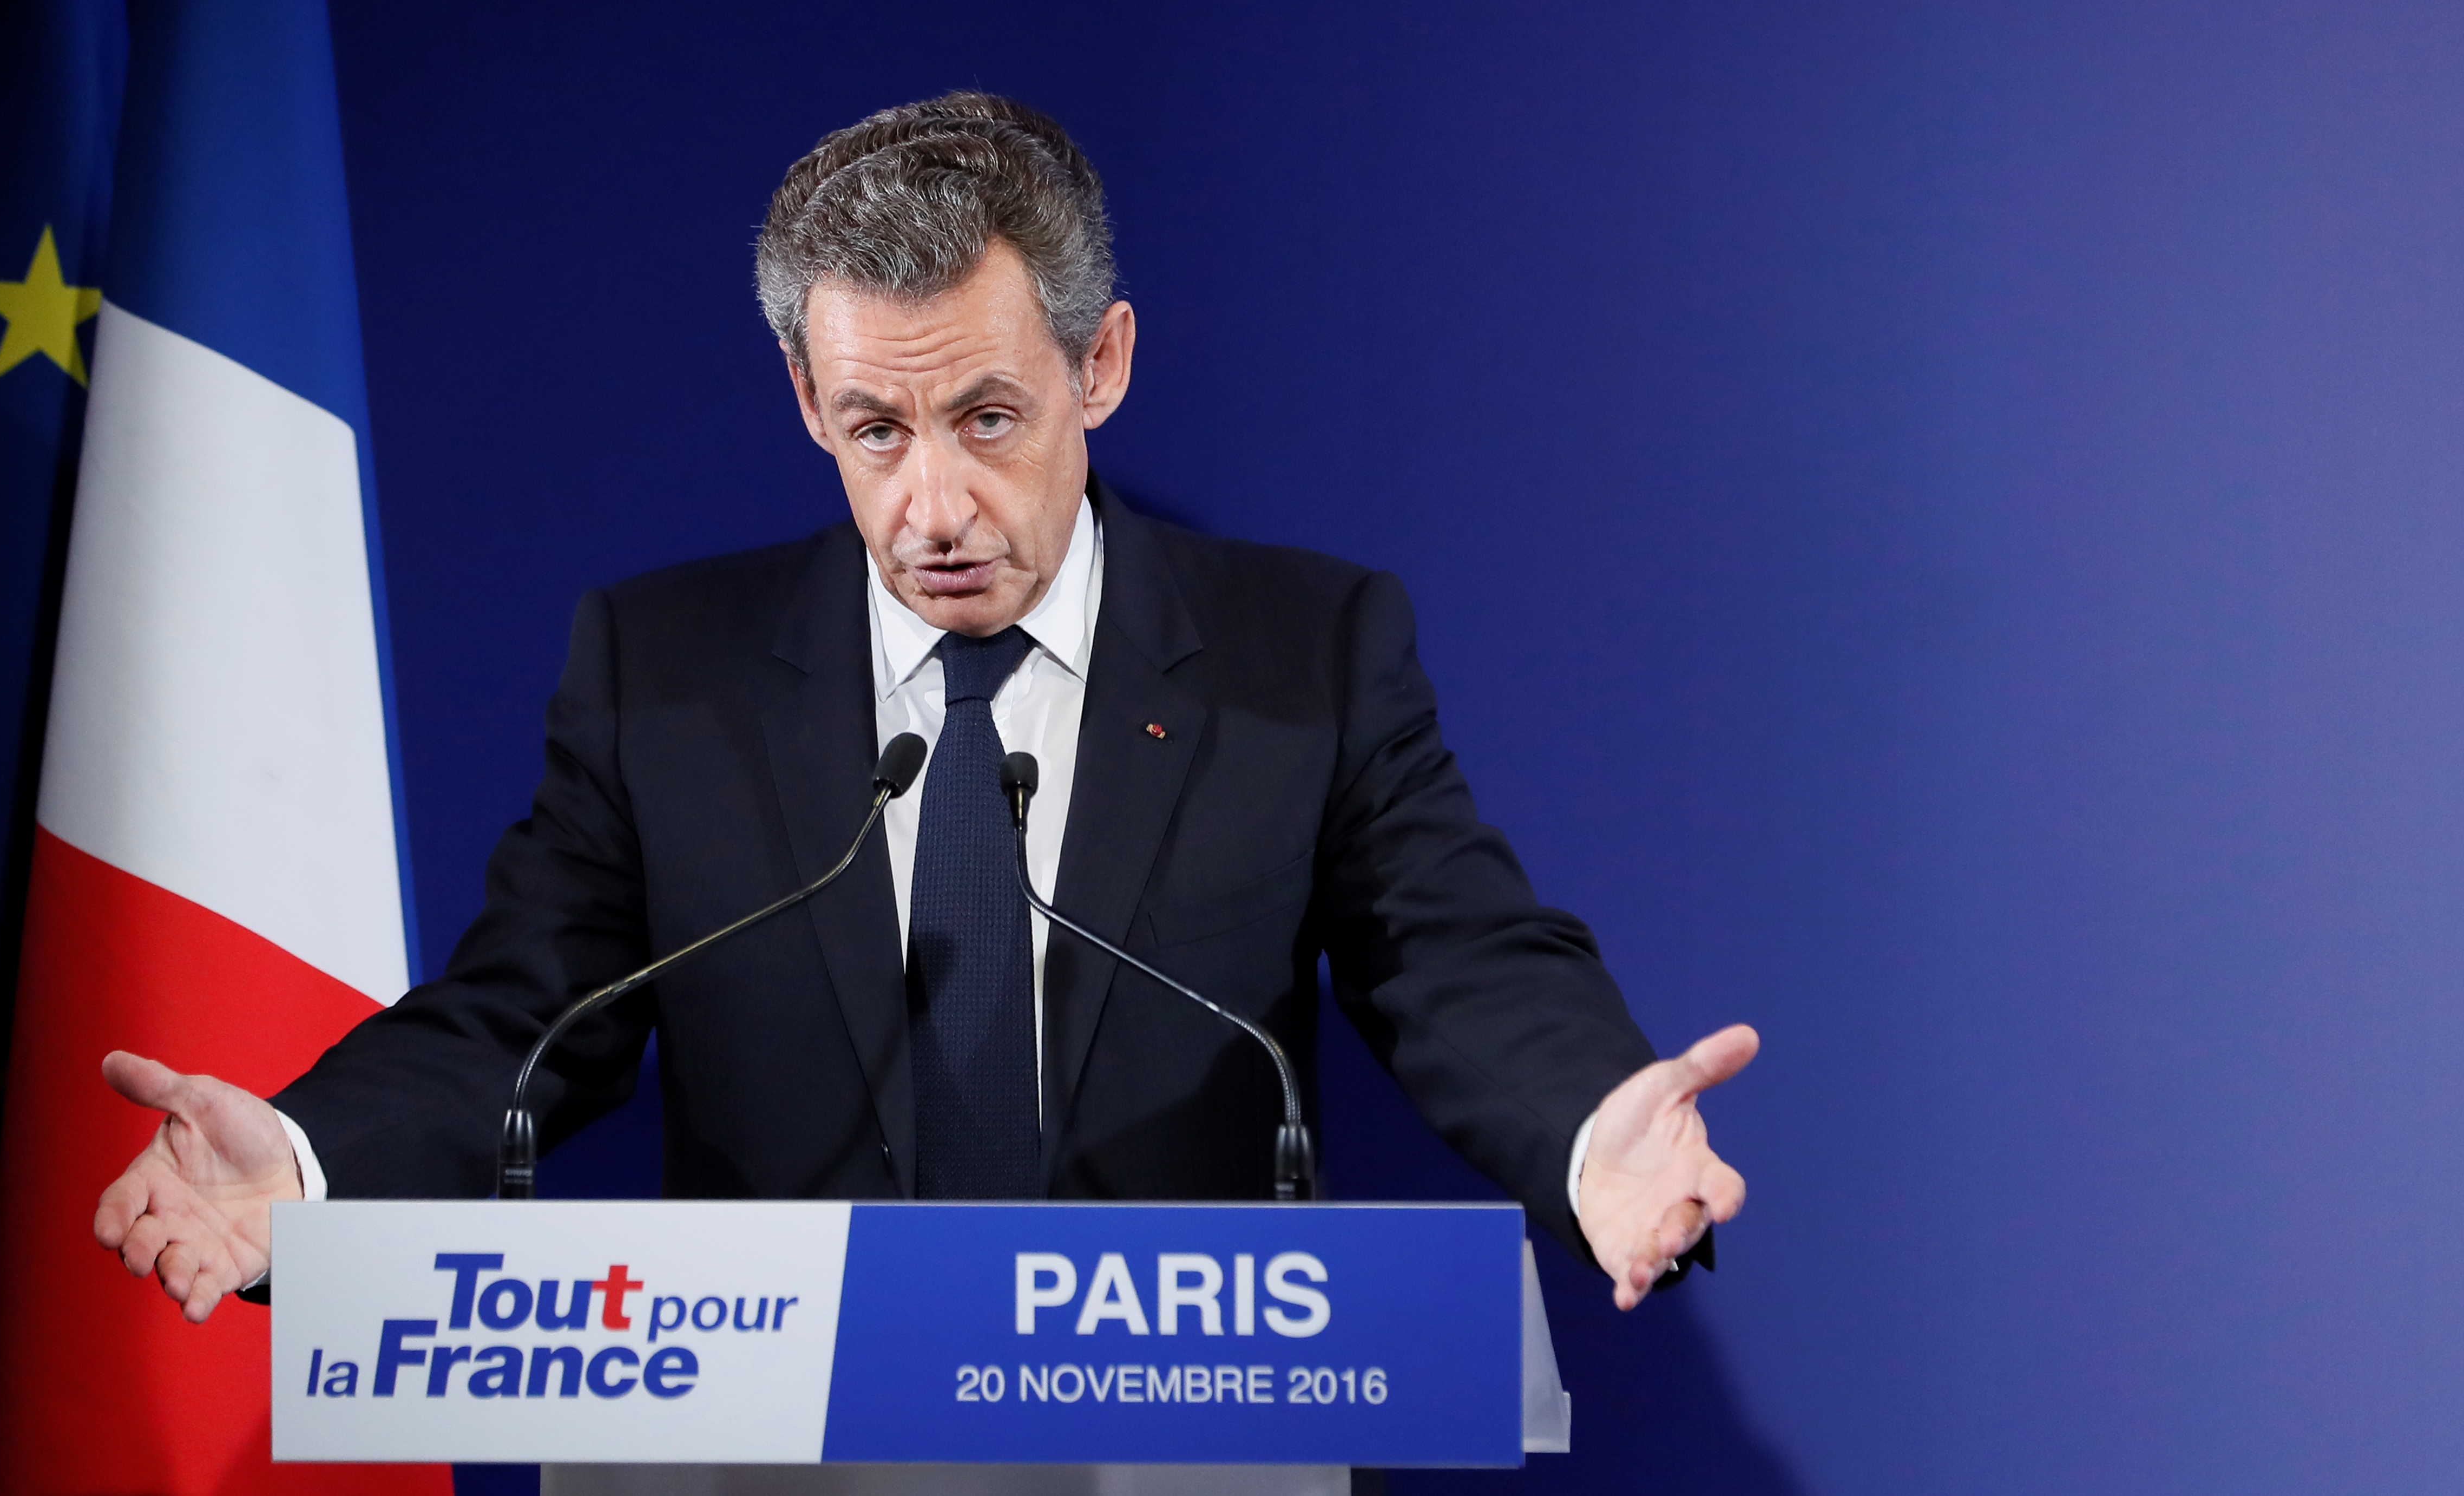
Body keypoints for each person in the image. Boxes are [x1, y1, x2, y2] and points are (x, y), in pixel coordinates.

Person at [93, 92, 1755, 1331]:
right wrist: (306, 1166)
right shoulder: (662, 673)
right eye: (877, 430)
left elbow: (1451, 949)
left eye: (988, 415)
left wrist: (1591, 1126)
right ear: (808, 397)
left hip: (1172, 1457)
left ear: (1099, 367)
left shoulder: (1298, 650)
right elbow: (525, 1017)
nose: (935, 504)